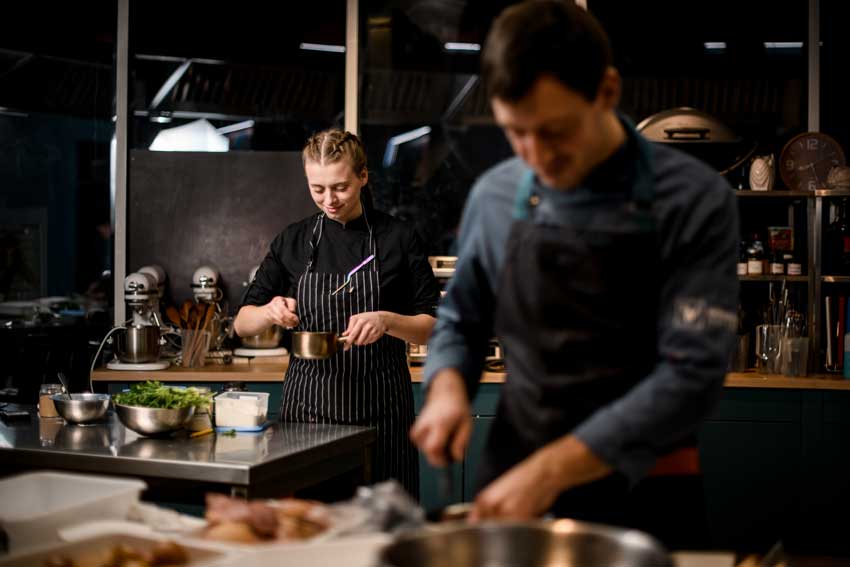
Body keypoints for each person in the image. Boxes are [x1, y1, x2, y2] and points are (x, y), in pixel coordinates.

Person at [410, 0, 739, 548]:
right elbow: (460, 322)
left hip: (646, 488)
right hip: (515, 474)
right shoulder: (494, 196)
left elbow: (692, 377)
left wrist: (550, 472)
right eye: (516, 132)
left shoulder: (692, 199)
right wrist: (446, 386)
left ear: (606, 91)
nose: (536, 155)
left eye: (555, 131)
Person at [235, 129, 440, 497]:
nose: (329, 200)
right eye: (317, 189)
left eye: (340, 187)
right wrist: (269, 311)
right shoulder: (293, 240)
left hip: (382, 415)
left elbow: (433, 328)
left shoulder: (398, 238)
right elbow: (242, 323)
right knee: (310, 522)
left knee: (382, 523)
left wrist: (387, 321)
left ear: (363, 177)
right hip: (308, 414)